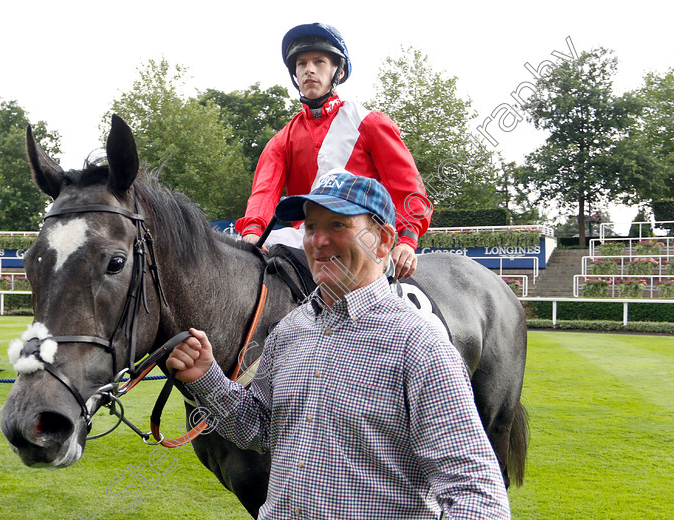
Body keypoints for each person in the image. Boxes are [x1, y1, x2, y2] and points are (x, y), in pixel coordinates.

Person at [169, 172, 511, 519]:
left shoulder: (420, 347)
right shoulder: (288, 332)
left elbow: (476, 492)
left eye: (337, 225)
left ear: (383, 240)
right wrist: (207, 377)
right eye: (311, 227)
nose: (318, 240)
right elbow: (259, 429)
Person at [236, 22, 432, 280]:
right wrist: (252, 230)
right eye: (301, 64)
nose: (309, 70)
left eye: (319, 62)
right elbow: (263, 193)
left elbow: (408, 187)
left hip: (364, 238)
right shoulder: (281, 140)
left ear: (337, 72)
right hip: (307, 241)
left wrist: (407, 239)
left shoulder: (370, 124)